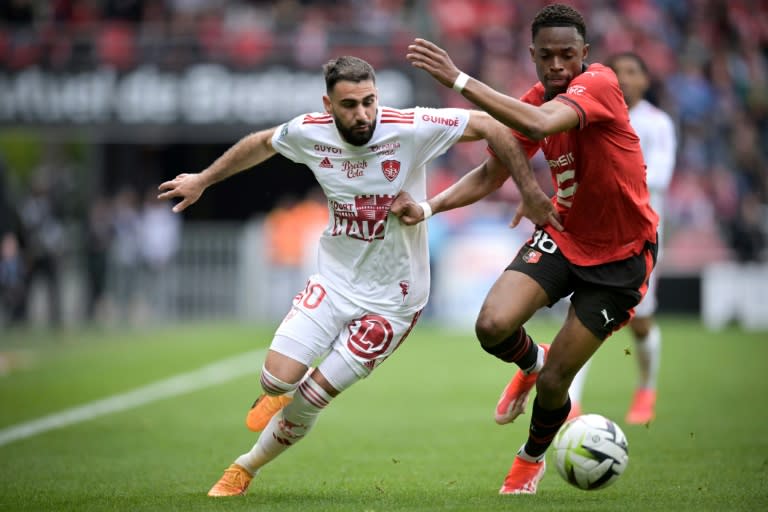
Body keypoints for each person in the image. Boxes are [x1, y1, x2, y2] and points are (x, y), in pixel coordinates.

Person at [157, 55, 537, 497]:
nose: (363, 114)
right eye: (351, 105)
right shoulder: (308, 132)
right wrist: (204, 179)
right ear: (328, 105)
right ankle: (277, 392)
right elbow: (261, 143)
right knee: (276, 379)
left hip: (394, 301)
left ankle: (245, 467)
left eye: (369, 101)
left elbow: (491, 125)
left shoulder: (411, 127)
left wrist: (528, 189)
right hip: (334, 281)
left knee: (314, 395)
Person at [396, 3, 658, 495]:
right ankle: (530, 362)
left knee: (559, 381)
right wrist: (429, 208)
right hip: (563, 234)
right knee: (492, 325)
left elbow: (539, 126)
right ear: (532, 55)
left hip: (621, 257)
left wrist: (459, 80)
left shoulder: (599, 84)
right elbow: (491, 174)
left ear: (585, 54)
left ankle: (530, 458)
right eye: (547, 56)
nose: (557, 65)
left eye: (567, 55)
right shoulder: (535, 97)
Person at [568, 52, 677, 424]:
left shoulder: (657, 123)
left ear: (646, 81)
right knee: (583, 317)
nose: (625, 79)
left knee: (640, 320)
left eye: (633, 71)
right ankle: (572, 403)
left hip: (640, 236)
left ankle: (646, 387)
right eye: (618, 73)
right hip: (596, 231)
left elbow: (658, 177)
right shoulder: (592, 116)